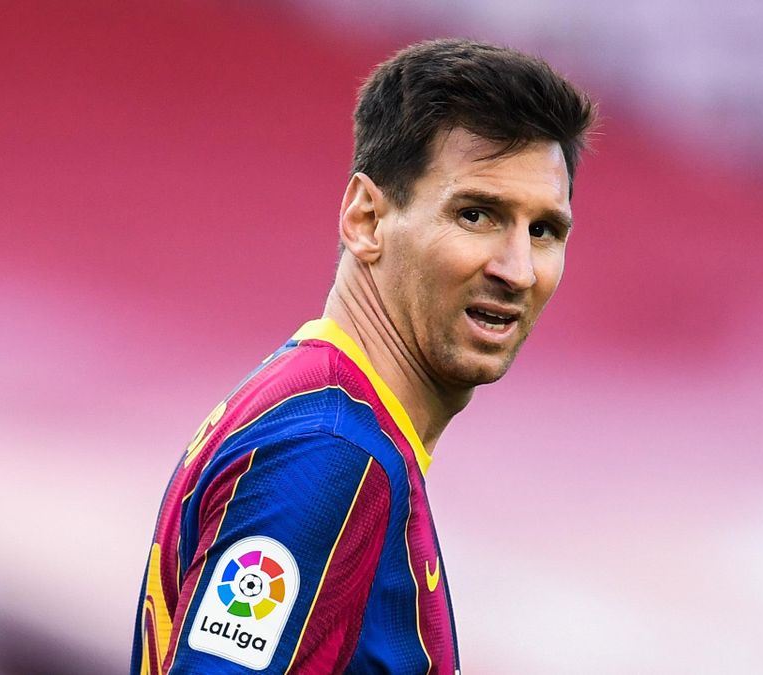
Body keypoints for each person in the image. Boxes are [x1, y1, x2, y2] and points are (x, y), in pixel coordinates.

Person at [130, 38, 595, 674]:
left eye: (544, 230)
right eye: (477, 215)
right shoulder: (330, 457)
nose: (516, 270)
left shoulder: (321, 410)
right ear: (366, 219)